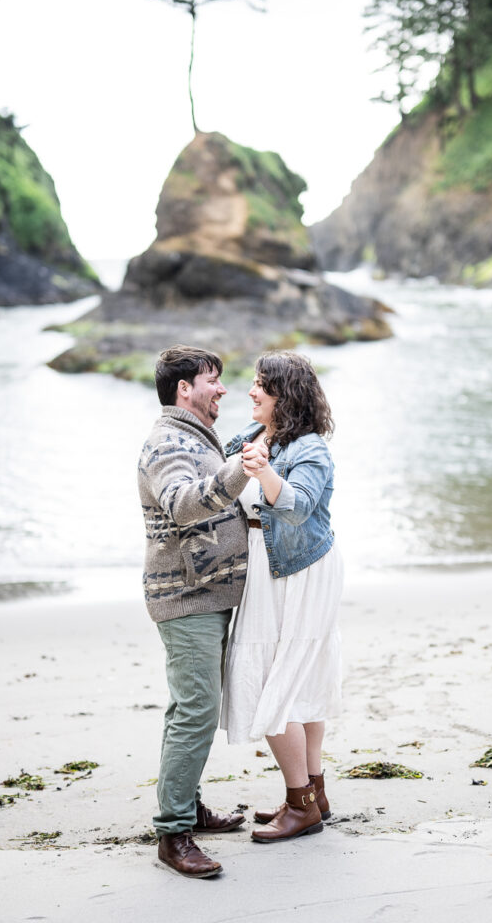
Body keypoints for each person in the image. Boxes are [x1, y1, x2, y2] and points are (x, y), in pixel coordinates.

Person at [137, 344, 250, 878]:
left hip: (204, 594)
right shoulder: (166, 443)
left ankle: (189, 806)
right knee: (198, 708)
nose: (222, 389)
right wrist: (239, 472)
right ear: (185, 389)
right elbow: (183, 504)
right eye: (213, 380)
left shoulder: (194, 437)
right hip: (185, 598)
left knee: (190, 708)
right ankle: (173, 834)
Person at [221, 350, 343, 842]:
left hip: (301, 571)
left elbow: (296, 509)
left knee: (280, 686)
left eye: (260, 385)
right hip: (269, 571)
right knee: (296, 680)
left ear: (283, 396)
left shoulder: (310, 449)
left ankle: (301, 805)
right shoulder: (254, 436)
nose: (250, 390)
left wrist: (265, 472)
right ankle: (314, 792)